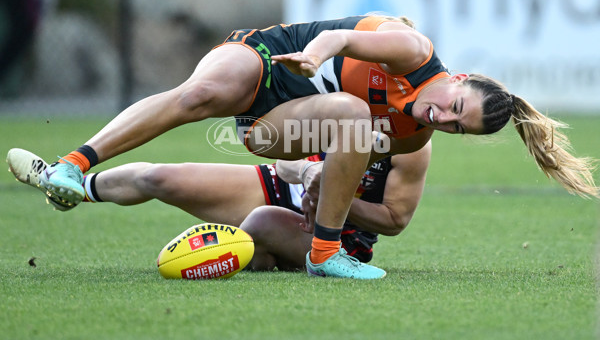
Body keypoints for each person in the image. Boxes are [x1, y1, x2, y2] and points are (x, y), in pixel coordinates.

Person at [12, 14, 599, 279]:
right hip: (270, 67)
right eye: (454, 106)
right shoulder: (413, 50)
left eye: (457, 128)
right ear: (458, 75)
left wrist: (321, 188)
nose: (442, 118)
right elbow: (343, 35)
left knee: (272, 207)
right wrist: (317, 57)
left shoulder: (413, 138)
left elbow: (395, 219)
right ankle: (71, 173)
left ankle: (316, 249)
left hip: (289, 158)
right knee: (199, 96)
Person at [6, 140, 431, 273]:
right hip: (283, 190)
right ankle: (64, 184)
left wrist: (338, 197)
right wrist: (305, 172)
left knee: (260, 223)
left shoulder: (413, 141)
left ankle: (264, 254)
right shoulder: (341, 97)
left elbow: (394, 220)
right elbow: (281, 154)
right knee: (159, 177)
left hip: (339, 237)